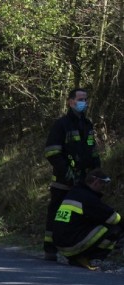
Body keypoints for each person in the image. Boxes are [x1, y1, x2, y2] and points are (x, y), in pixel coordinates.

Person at [43, 87, 101, 260]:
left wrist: (96, 170)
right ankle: (50, 249)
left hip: (84, 182)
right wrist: (68, 173)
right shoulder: (61, 124)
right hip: (63, 182)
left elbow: (92, 149)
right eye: (80, 99)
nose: (83, 102)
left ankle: (75, 250)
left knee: (79, 217)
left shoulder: (87, 124)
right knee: (57, 214)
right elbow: (52, 152)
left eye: (85, 99)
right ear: (70, 101)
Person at [52, 169, 123, 270]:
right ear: (96, 182)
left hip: (61, 244)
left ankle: (78, 258)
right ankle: (93, 258)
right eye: (102, 185)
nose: (103, 188)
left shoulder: (75, 193)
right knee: (114, 229)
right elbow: (113, 218)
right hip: (71, 245)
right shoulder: (88, 198)